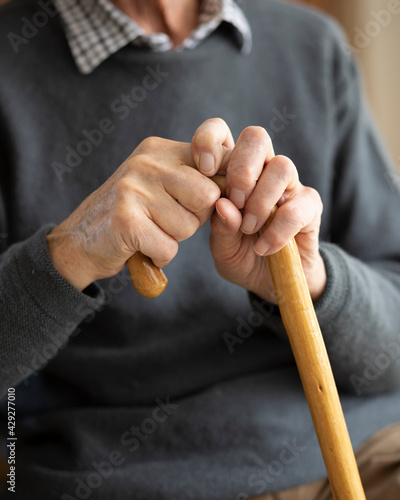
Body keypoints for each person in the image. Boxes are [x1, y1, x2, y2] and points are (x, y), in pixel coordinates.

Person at [0, 0, 399, 498]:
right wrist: (71, 254)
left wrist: (311, 281)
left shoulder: (312, 46)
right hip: (126, 479)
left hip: (367, 452)